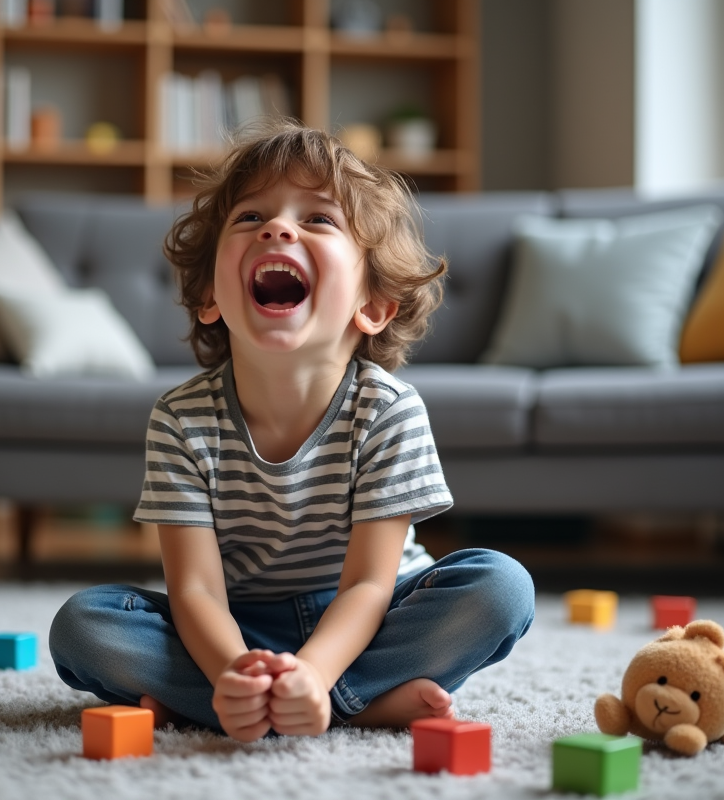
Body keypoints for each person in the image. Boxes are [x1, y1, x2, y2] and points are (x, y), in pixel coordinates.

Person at [49, 120, 535, 742]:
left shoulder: (388, 410)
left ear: (373, 305)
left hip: (375, 616)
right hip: (235, 626)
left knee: (500, 589)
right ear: (210, 297)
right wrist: (230, 671)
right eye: (250, 218)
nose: (279, 228)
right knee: (84, 626)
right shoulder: (181, 418)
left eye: (319, 220)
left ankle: (306, 699)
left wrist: (315, 670)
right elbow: (195, 588)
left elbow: (367, 583)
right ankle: (320, 702)